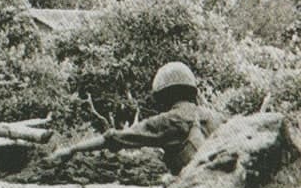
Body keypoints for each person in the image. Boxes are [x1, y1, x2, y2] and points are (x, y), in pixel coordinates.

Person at [51, 61, 224, 175]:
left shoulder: (169, 121)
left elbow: (115, 138)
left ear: (163, 96)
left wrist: (72, 149)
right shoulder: (216, 118)